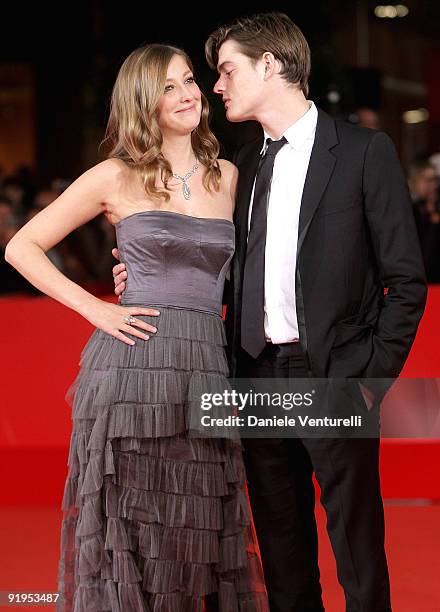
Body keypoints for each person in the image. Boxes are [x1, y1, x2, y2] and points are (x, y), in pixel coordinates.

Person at [113, 12, 427, 612]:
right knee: (283, 553)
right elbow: (212, 259)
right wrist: (138, 266)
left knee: (358, 552)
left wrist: (367, 379)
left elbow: (406, 282)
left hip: (335, 375)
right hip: (254, 376)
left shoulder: (364, 151)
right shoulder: (243, 165)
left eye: (227, 70)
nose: (217, 87)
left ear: (270, 64)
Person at [4, 43, 269, 611]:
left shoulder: (229, 175)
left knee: (197, 523)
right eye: (168, 87)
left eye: (190, 82)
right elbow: (21, 247)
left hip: (206, 363)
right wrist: (97, 308)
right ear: (142, 101)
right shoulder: (114, 175)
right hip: (135, 365)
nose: (187, 94)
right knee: (135, 523)